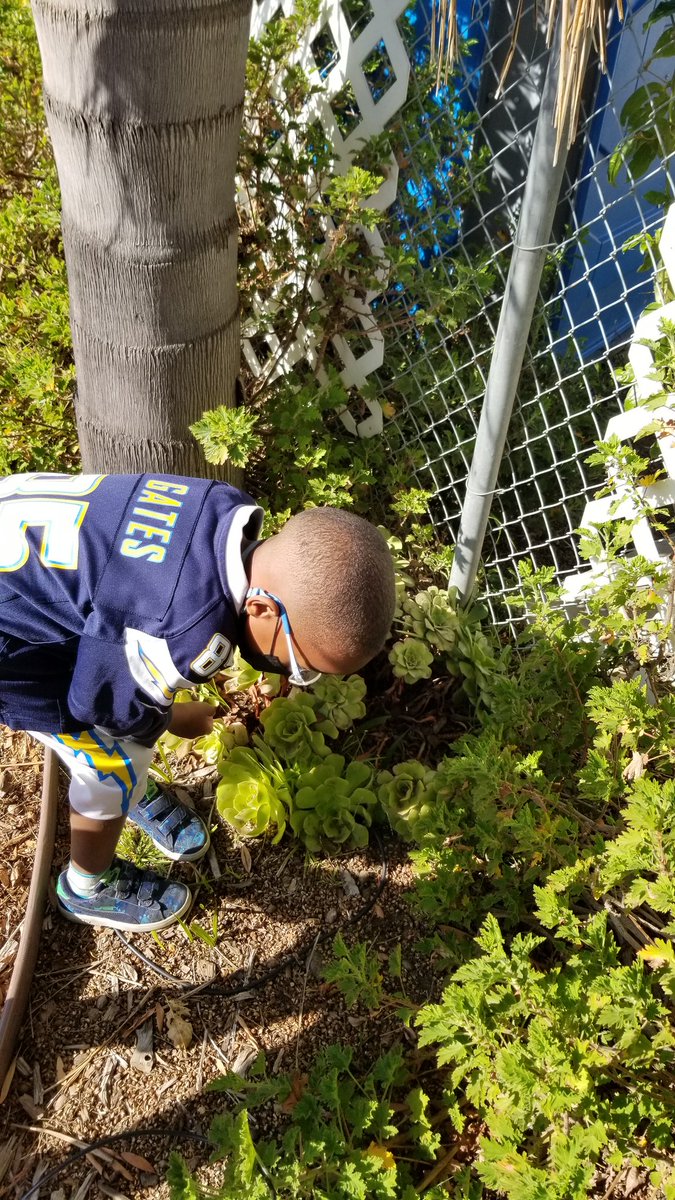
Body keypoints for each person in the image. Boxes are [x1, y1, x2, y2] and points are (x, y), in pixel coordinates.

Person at [0, 472, 396, 933]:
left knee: (118, 724)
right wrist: (167, 717)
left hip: (25, 539)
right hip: (11, 646)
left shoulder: (226, 508)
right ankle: (88, 885)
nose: (293, 676)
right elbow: (107, 706)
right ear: (263, 609)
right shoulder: (180, 633)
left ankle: (131, 794)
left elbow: (120, 616)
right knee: (112, 758)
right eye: (301, 665)